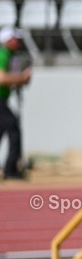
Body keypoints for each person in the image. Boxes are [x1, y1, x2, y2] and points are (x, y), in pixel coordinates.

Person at [0, 27, 31, 180]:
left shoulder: (8, 55)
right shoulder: (3, 54)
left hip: (2, 99)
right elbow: (2, 78)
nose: (18, 42)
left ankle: (10, 168)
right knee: (14, 130)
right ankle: (10, 169)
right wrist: (21, 78)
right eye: (15, 39)